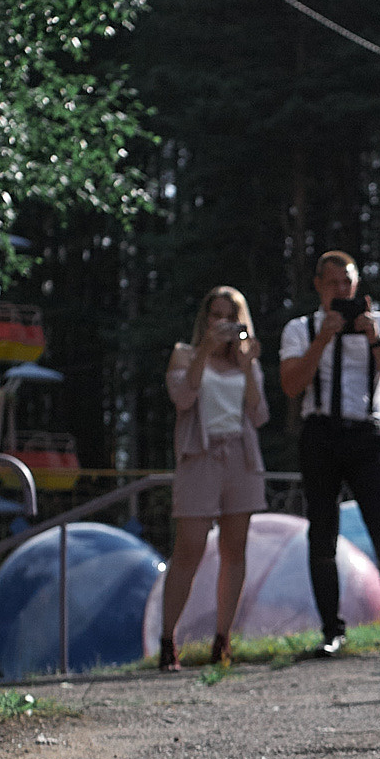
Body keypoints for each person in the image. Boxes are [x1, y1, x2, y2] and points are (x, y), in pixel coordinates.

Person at [277, 251, 380, 658]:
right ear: (319, 285)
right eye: (334, 283)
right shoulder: (300, 329)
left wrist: (373, 338)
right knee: (322, 532)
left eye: (348, 283)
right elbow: (290, 386)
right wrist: (323, 339)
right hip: (319, 433)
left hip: (366, 435)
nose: (342, 291)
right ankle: (331, 632)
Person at [162, 285, 269, 670]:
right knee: (189, 547)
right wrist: (204, 350)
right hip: (200, 458)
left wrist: (248, 367)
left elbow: (259, 415)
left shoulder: (247, 362)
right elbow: (183, 399)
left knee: (234, 549)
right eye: (215, 315)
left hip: (241, 458)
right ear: (205, 320)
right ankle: (167, 638)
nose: (222, 323)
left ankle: (222, 639)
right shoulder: (185, 354)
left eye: (230, 316)